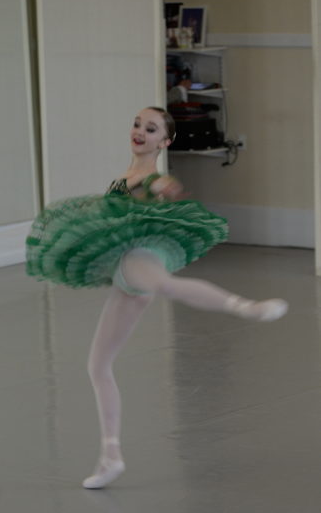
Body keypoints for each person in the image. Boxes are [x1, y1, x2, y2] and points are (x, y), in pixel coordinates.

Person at [26, 107, 288, 490]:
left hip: (142, 256)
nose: (140, 131)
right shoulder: (123, 177)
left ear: (165, 142)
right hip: (126, 277)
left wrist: (166, 189)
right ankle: (110, 456)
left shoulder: (150, 178)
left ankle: (247, 307)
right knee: (98, 366)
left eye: (151, 129)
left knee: (166, 285)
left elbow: (161, 186)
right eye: (137, 124)